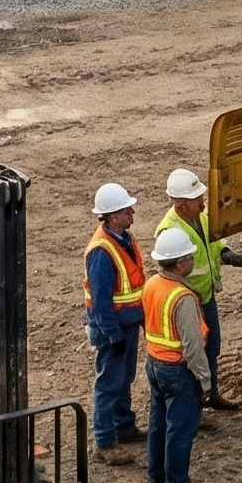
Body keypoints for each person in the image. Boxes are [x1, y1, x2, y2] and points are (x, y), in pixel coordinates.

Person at [157, 167, 242, 412]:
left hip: (205, 296)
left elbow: (213, 239)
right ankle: (195, 402)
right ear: (179, 204)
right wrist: (186, 298)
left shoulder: (200, 217)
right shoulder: (170, 230)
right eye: (196, 198)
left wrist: (227, 254)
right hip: (187, 302)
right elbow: (170, 270)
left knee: (212, 346)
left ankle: (211, 394)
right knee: (194, 351)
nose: (202, 201)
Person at [141, 226, 212, 483]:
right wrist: (205, 381)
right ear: (180, 263)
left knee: (158, 427)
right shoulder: (182, 297)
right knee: (181, 431)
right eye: (190, 258)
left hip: (155, 364)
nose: (193, 261)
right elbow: (193, 346)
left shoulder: (152, 285)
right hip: (178, 372)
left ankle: (158, 482)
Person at [82, 181, 146, 464]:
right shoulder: (102, 251)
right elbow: (101, 301)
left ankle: (124, 426)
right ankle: (105, 442)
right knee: (109, 383)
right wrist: (113, 334)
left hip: (127, 324)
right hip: (114, 329)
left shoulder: (124, 238)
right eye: (126, 210)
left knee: (124, 379)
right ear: (111, 216)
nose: (132, 212)